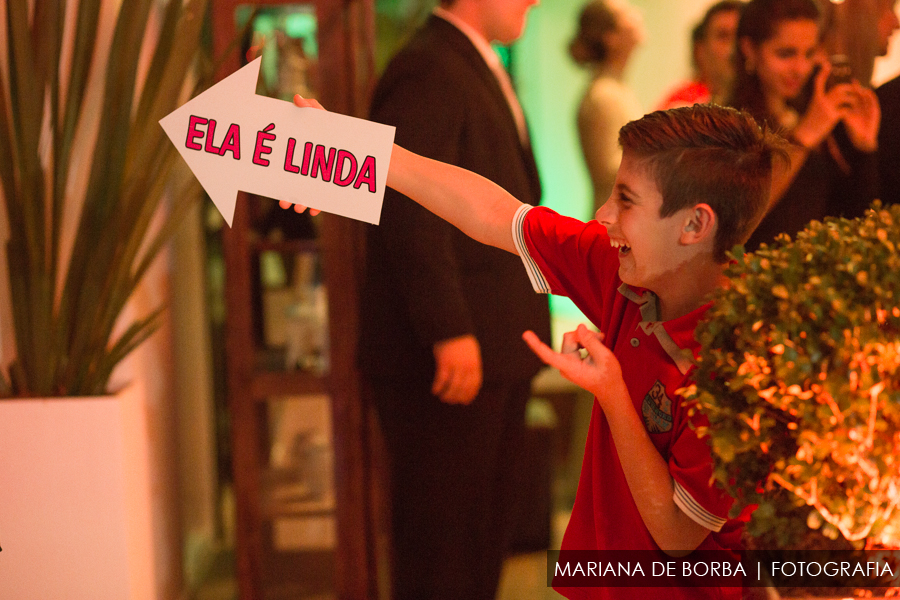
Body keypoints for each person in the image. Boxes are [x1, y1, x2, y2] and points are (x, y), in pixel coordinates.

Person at [287, 97, 787, 599]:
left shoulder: (739, 360)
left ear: (694, 225)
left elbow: (679, 535)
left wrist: (611, 392)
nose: (603, 214)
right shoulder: (628, 276)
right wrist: (357, 153)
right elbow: (493, 213)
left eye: (626, 200)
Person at [283, 0, 551, 598]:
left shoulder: (473, 62)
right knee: (443, 546)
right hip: (455, 354)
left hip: (498, 346)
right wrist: (447, 329)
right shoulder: (430, 65)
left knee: (480, 537)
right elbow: (407, 203)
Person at [726, 0, 880, 250]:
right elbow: (738, 218)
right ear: (749, 50)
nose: (800, 68)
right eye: (786, 54)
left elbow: (857, 217)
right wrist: (806, 136)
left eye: (809, 53)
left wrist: (864, 147)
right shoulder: (730, 123)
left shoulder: (810, 112)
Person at [569, 0, 644, 214]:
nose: (637, 12)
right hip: (612, 224)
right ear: (610, 37)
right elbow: (612, 171)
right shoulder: (603, 96)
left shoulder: (615, 90)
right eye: (626, 12)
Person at [656, 0, 744, 110]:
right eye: (723, 36)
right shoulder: (681, 104)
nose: (733, 48)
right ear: (700, 49)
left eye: (739, 35)